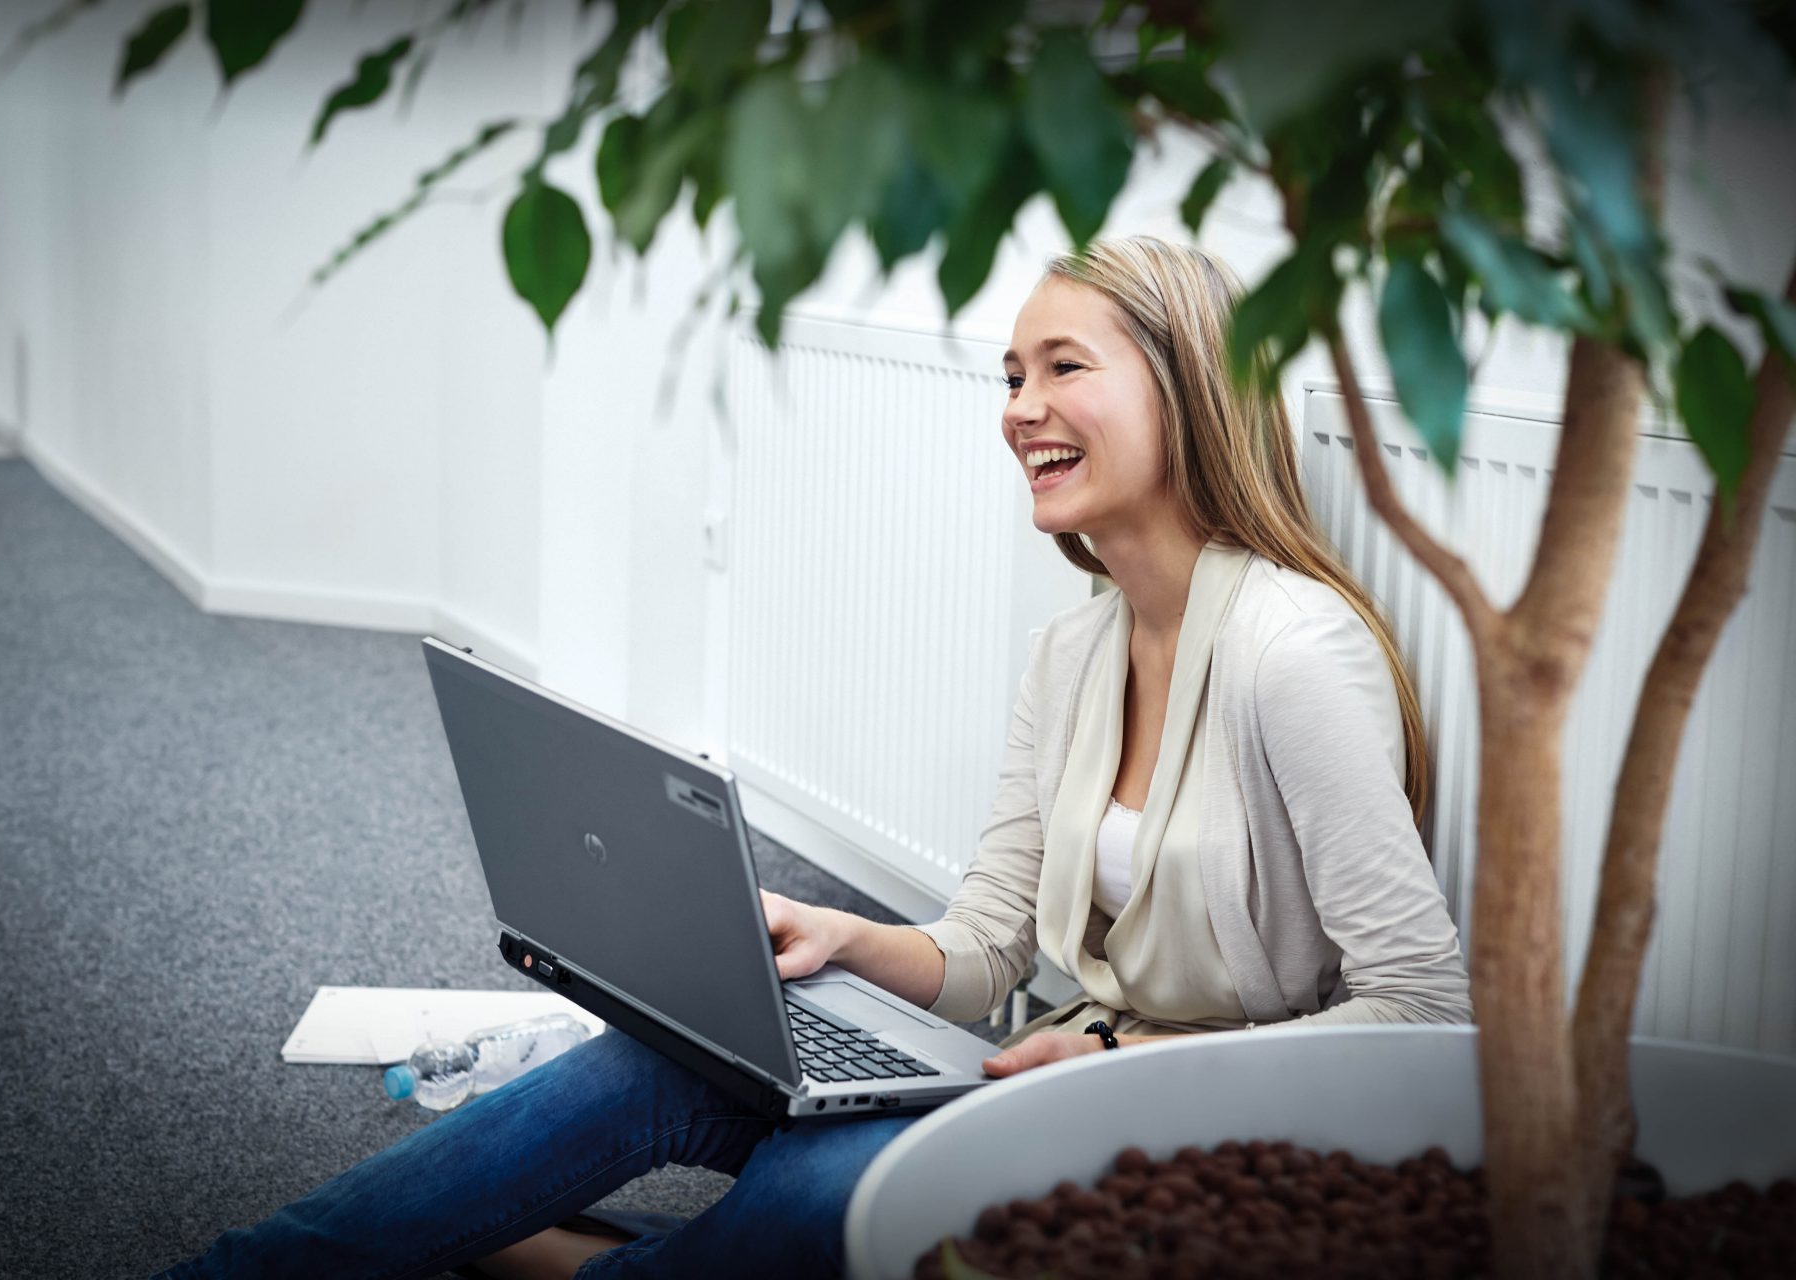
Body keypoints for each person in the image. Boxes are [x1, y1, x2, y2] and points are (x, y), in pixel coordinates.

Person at [154, 237, 1468, 1280]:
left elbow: (1423, 1010)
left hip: (1205, 1132)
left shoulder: (1295, 656)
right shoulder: (1074, 653)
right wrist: (836, 939)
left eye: (1064, 367)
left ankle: (524, 1251)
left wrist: (1119, 1059)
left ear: (1190, 390)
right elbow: (988, 955)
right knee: (650, 1057)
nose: (1021, 409)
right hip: (1029, 1079)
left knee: (815, 1185)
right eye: (1011, 377)